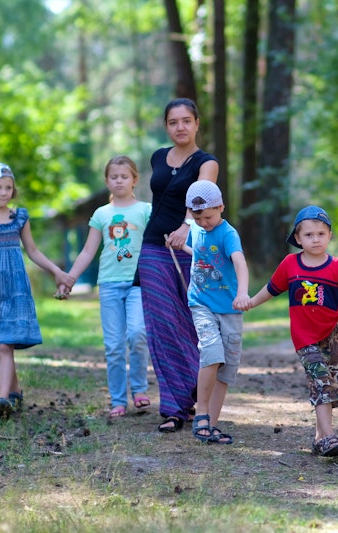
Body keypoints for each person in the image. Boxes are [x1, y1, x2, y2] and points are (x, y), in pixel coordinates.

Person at [239, 206, 338, 456]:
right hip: (304, 339)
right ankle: (329, 437)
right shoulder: (290, 264)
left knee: (334, 386)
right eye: (308, 235)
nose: (315, 239)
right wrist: (251, 302)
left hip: (331, 336)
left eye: (321, 233)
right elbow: (271, 288)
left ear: (329, 235)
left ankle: (320, 437)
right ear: (298, 239)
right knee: (322, 383)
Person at [0, 162, 75, 421]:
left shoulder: (19, 217)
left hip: (14, 288)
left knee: (5, 342)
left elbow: (32, 251)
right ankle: (14, 392)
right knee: (1, 341)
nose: (3, 192)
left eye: (8, 188)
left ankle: (2, 399)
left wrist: (56, 271)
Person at [136, 97, 219, 433]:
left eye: (186, 121)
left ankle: (193, 392)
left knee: (188, 321)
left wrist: (187, 224)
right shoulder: (158, 156)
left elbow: (204, 195)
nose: (180, 127)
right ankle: (173, 407)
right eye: (173, 122)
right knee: (160, 323)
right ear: (166, 126)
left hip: (190, 248)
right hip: (154, 246)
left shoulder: (206, 162)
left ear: (197, 123)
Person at [59, 156, 153, 420]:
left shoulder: (146, 210)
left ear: (135, 179)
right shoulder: (101, 214)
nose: (119, 181)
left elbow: (156, 246)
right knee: (113, 346)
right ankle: (118, 400)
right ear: (107, 181)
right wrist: (70, 279)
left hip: (138, 283)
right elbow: (88, 250)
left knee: (137, 335)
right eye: (114, 177)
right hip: (110, 285)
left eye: (124, 176)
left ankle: (139, 390)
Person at [181, 180, 250, 444]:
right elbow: (200, 255)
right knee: (210, 350)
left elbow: (240, 263)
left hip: (230, 308)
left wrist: (242, 293)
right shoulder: (196, 229)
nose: (204, 222)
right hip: (201, 303)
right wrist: (181, 245)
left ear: (221, 207)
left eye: (208, 217)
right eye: (198, 218)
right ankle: (200, 414)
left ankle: (211, 422)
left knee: (226, 366)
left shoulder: (228, 233)